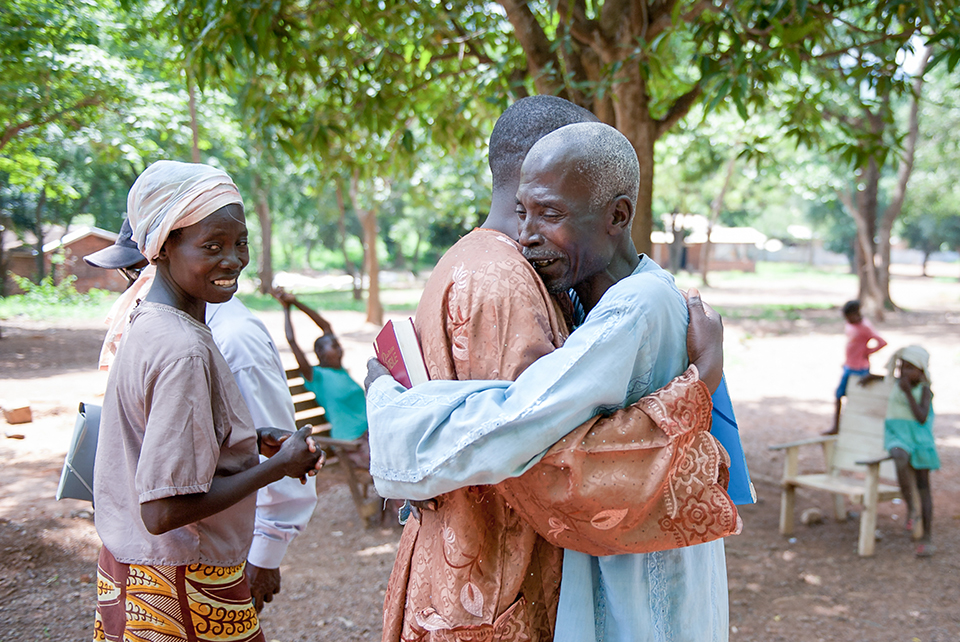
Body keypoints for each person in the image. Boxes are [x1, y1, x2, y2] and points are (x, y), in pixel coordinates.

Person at [367, 108, 737, 642]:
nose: (527, 235)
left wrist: (386, 403)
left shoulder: (632, 307)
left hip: (633, 563)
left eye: (550, 214)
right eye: (522, 211)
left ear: (617, 214)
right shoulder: (607, 292)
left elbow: (530, 426)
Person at [92, 160, 324, 642]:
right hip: (182, 582)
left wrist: (246, 441)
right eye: (212, 246)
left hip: (137, 570)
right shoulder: (185, 348)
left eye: (240, 242)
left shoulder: (149, 322)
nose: (233, 260)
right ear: (163, 246)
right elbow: (163, 512)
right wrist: (277, 466)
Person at [273, 289, 367, 441]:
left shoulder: (340, 370)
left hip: (370, 436)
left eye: (338, 345)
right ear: (320, 353)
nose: (340, 349)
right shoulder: (315, 376)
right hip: (352, 442)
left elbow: (326, 326)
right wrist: (286, 309)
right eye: (334, 346)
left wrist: (296, 302)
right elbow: (291, 341)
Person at [883, 345, 938, 557]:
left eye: (909, 368)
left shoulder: (924, 390)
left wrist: (907, 393)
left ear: (921, 370)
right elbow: (884, 379)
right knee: (898, 456)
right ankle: (910, 507)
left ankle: (927, 537)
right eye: (901, 367)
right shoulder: (897, 383)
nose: (904, 372)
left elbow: (922, 417)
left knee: (924, 487)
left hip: (920, 439)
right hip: (898, 437)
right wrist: (869, 377)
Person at [826, 299, 887, 434]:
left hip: (860, 368)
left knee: (858, 399)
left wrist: (867, 352)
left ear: (855, 313)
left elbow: (882, 342)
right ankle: (836, 426)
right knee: (839, 395)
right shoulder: (850, 324)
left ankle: (858, 429)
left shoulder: (865, 327)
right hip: (849, 366)